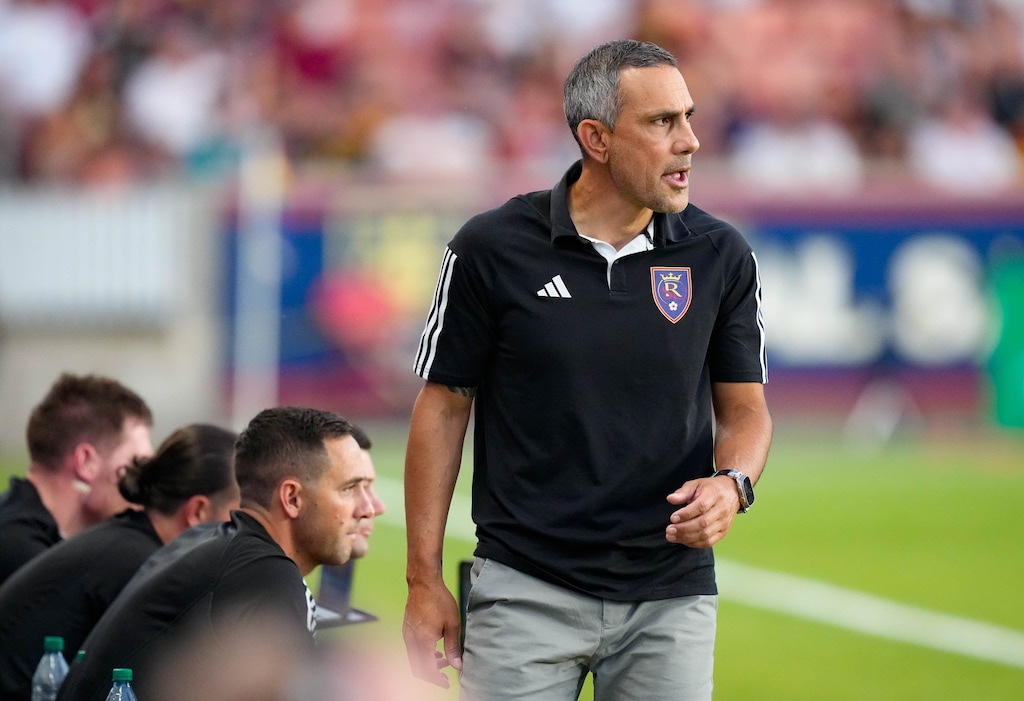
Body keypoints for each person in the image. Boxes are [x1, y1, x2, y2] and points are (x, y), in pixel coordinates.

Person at [402, 39, 772, 701]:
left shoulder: (720, 254)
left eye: (688, 117)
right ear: (596, 138)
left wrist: (732, 484)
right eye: (662, 122)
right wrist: (422, 579)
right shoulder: (491, 248)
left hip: (671, 597)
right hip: (523, 590)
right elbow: (443, 407)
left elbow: (746, 411)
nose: (689, 141)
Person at [56, 406, 376, 701]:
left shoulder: (222, 546)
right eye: (349, 489)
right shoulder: (264, 575)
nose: (367, 508)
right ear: (291, 498)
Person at [0, 423, 238, 701]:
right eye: (241, 515)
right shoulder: (142, 565)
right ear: (198, 511)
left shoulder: (124, 542)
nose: (243, 530)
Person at [0, 373, 154, 585]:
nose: (149, 484)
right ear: (86, 462)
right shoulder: (22, 554)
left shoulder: (24, 530)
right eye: (137, 464)